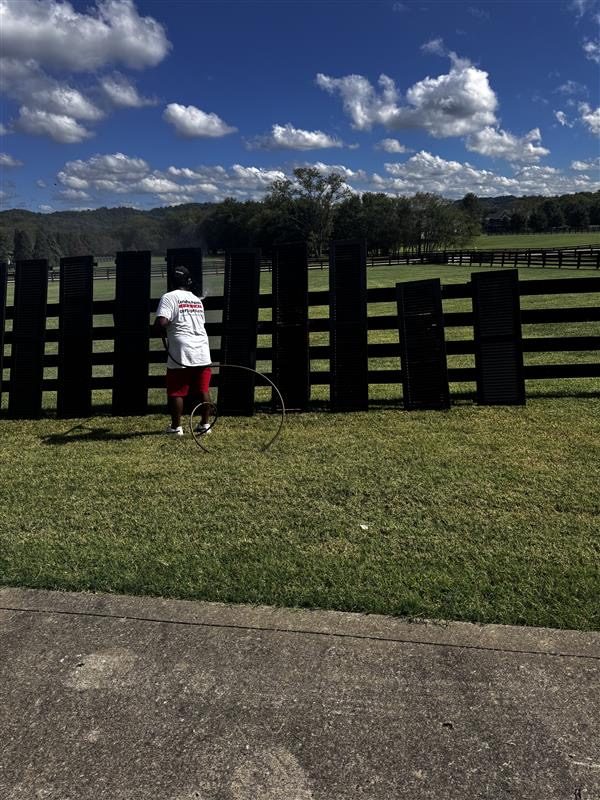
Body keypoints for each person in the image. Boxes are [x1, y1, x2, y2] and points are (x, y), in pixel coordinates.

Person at [154, 265, 212, 436]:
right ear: (188, 281)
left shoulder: (168, 297)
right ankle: (205, 424)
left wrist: (156, 326)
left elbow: (162, 322)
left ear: (171, 280)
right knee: (203, 389)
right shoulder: (196, 299)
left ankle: (176, 427)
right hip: (201, 347)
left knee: (177, 389)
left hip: (181, 349)